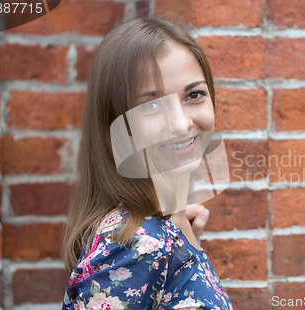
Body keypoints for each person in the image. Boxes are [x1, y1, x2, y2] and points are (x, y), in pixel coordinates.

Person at [61, 16, 233, 310]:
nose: (181, 123)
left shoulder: (166, 230)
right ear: (114, 124)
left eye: (194, 95)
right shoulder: (135, 244)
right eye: (151, 105)